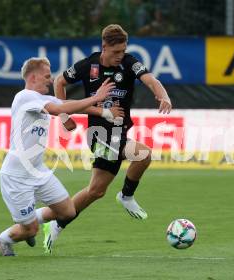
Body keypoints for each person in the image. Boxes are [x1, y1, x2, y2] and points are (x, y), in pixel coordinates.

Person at [40, 24, 172, 253]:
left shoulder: (129, 62)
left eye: (123, 51)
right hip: (99, 136)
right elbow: (59, 81)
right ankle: (126, 195)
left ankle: (57, 224)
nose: (120, 56)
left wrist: (164, 96)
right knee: (144, 154)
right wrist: (63, 116)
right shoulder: (88, 65)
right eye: (116, 52)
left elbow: (151, 80)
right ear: (104, 47)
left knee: (95, 191)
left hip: (119, 134)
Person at [0, 57, 114, 256]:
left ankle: (27, 222)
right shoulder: (25, 96)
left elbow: (68, 103)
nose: (51, 80)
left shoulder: (40, 100)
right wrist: (95, 98)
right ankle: (3, 238)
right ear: (33, 77)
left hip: (37, 169)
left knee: (67, 212)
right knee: (30, 230)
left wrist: (103, 112)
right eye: (47, 76)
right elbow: (58, 109)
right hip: (17, 175)